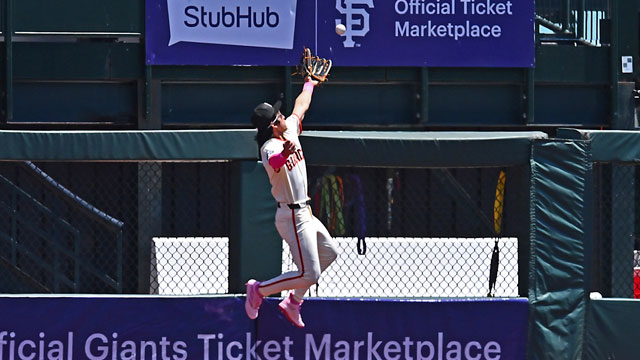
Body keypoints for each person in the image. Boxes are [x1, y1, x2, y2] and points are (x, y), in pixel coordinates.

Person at [245, 77, 339, 328]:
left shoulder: (290, 130)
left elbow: (301, 106)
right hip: (291, 216)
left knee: (329, 253)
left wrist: (309, 84)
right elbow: (275, 161)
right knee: (310, 273)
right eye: (279, 115)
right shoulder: (269, 147)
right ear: (274, 124)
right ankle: (259, 290)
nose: (284, 115)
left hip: (305, 212)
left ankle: (293, 301)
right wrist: (285, 153)